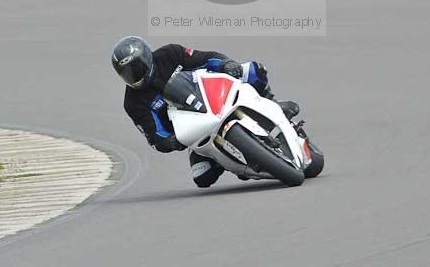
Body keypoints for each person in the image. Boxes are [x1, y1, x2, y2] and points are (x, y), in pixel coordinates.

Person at [111, 36, 320, 188]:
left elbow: (205, 58)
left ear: (147, 57)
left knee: (253, 70)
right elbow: (153, 133)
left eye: (136, 68)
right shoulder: (133, 103)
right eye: (127, 74)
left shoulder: (169, 54)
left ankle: (272, 103)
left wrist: (225, 63)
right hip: (194, 132)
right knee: (203, 178)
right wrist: (168, 142)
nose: (134, 76)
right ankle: (228, 161)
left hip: (213, 96)